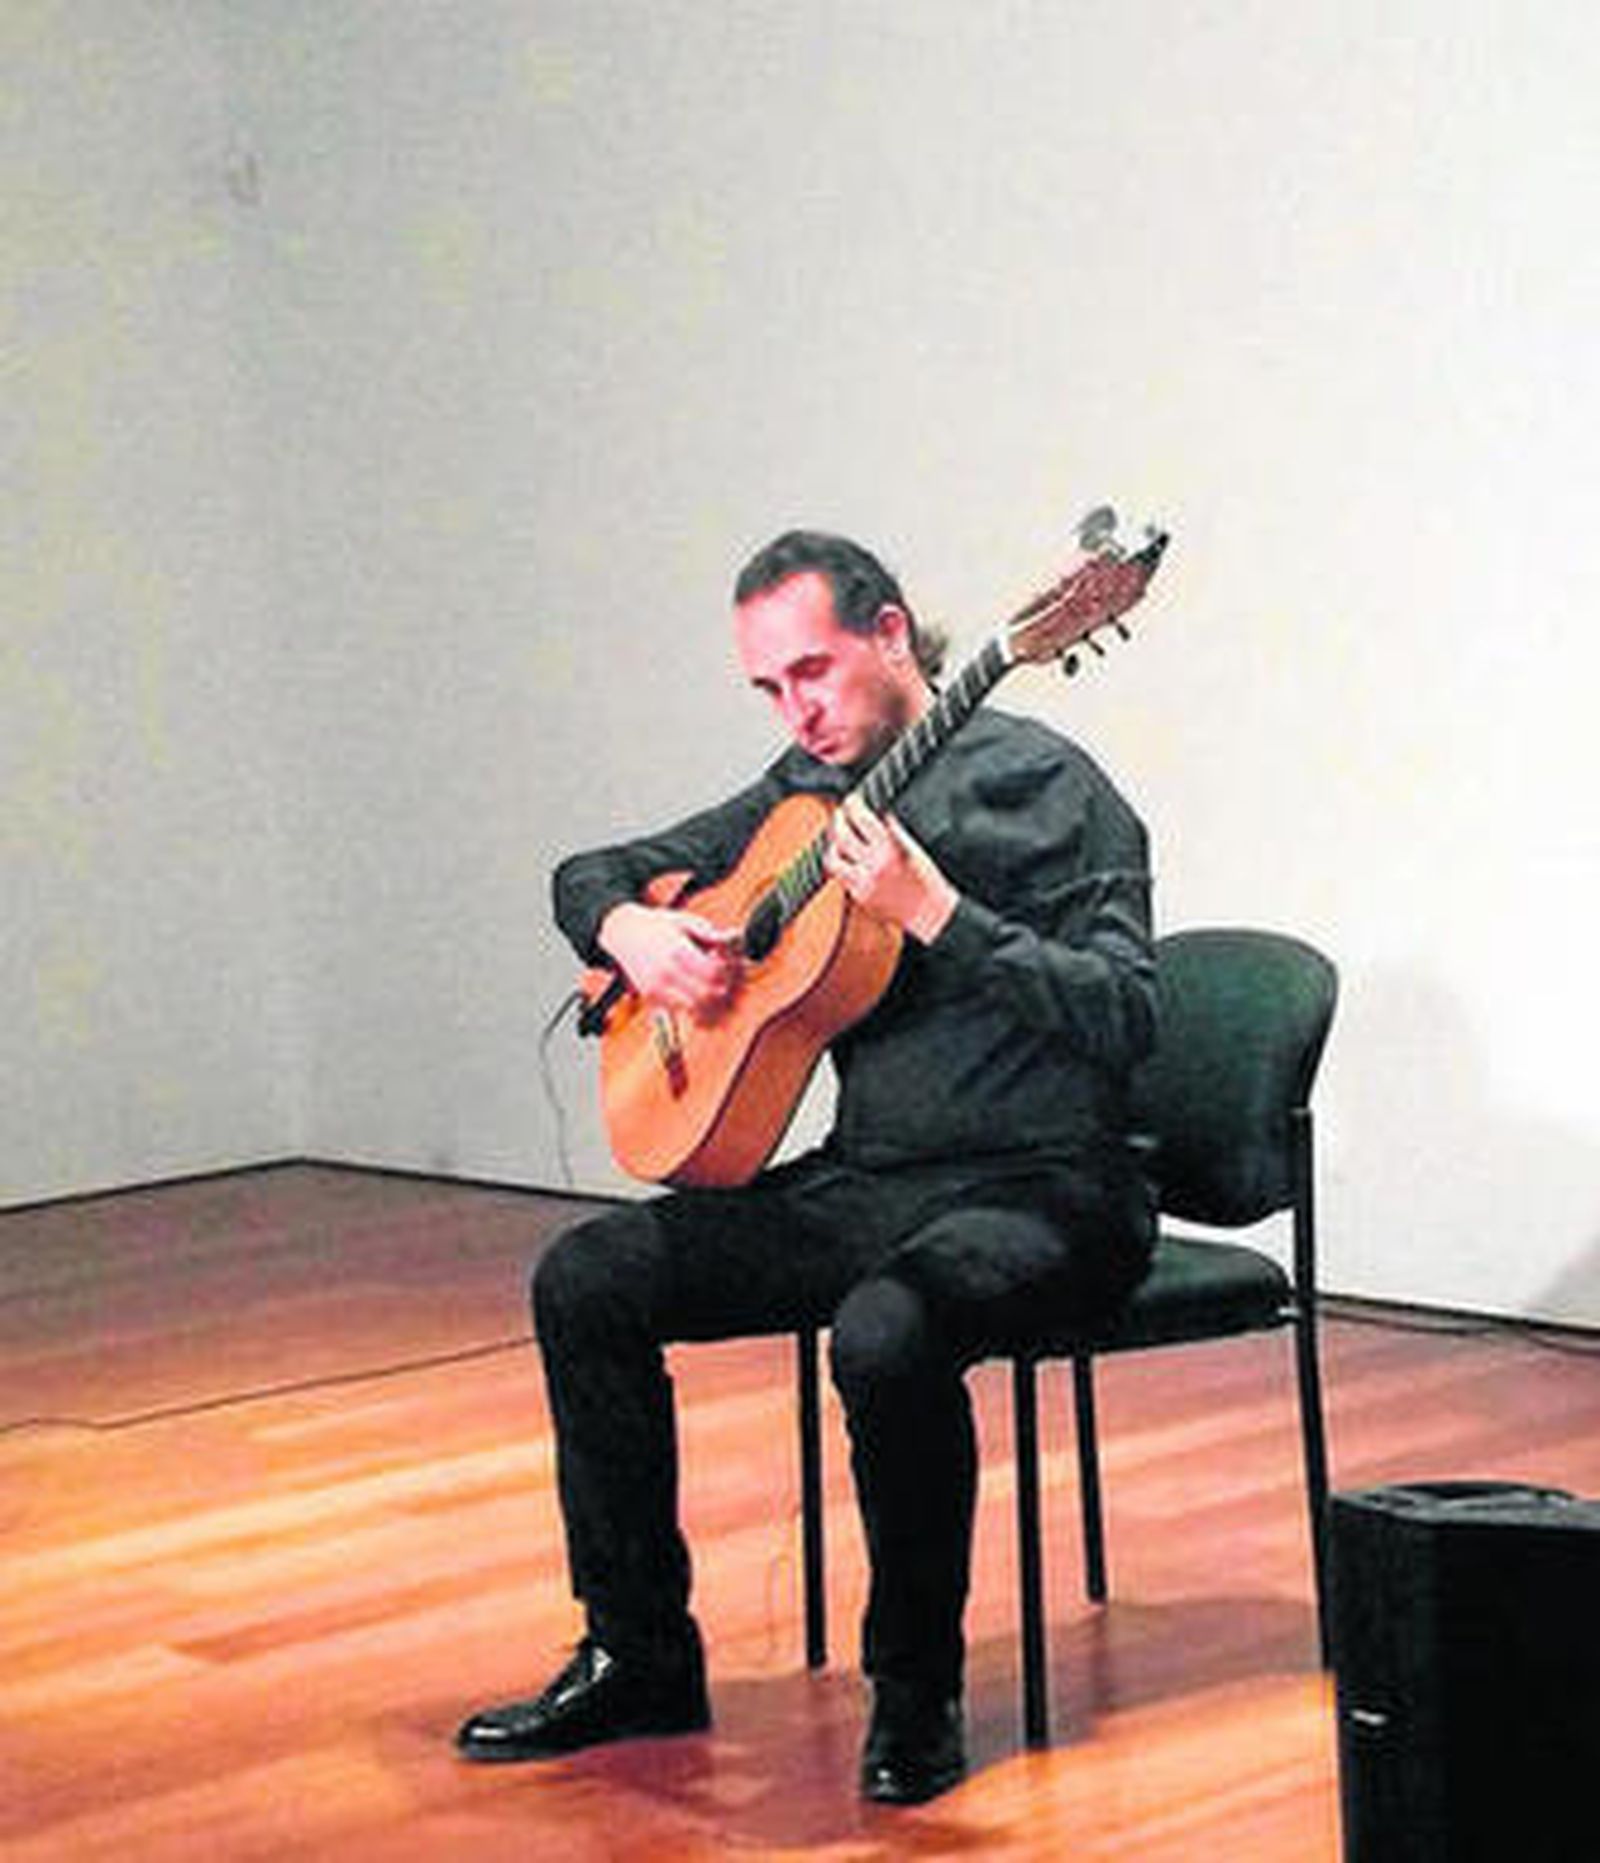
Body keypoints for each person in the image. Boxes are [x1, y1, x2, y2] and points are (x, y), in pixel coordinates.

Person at [456, 529, 1158, 1804]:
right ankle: (638, 1654)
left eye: (816, 672)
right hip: (875, 1181)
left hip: (1050, 1189)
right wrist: (635, 931)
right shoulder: (811, 787)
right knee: (588, 1277)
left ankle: (915, 1695)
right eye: (770, 689)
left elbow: (1127, 1019)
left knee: (886, 1332)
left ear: (893, 634)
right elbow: (592, 872)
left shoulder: (1050, 787)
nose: (800, 711)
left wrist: (936, 915)